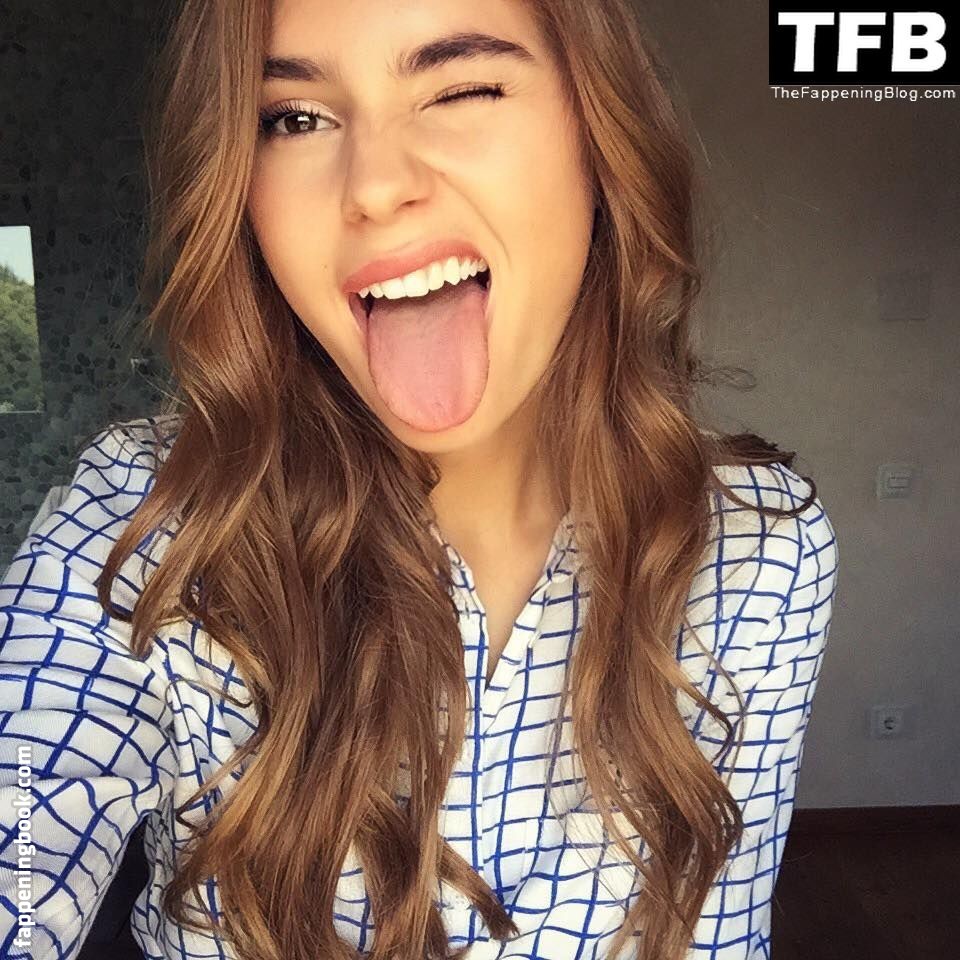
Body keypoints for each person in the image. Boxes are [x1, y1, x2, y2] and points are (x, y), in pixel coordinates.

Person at [0, 0, 839, 958]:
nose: (375, 185)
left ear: (598, 134)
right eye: (295, 118)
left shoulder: (759, 546)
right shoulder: (148, 514)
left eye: (461, 89)